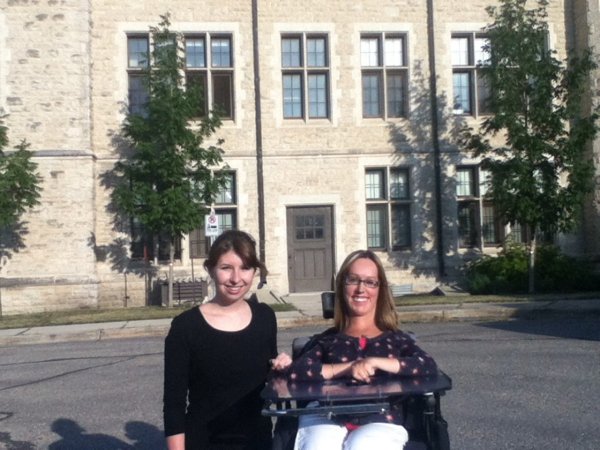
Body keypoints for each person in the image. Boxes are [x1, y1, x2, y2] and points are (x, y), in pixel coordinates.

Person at [288, 250, 438, 450]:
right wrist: (349, 367)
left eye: (370, 282)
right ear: (342, 286)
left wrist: (374, 362)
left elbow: (427, 366)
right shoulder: (328, 339)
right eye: (353, 280)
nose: (360, 289)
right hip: (327, 414)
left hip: (382, 418)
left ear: (380, 289)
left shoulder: (396, 339)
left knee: (363, 445)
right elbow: (298, 371)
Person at [163, 230, 291, 450]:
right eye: (226, 268)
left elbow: (270, 384)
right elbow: (173, 404)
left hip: (257, 441)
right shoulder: (186, 326)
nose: (235, 278)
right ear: (211, 269)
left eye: (245, 268)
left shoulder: (264, 317)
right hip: (205, 443)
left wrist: (282, 372)